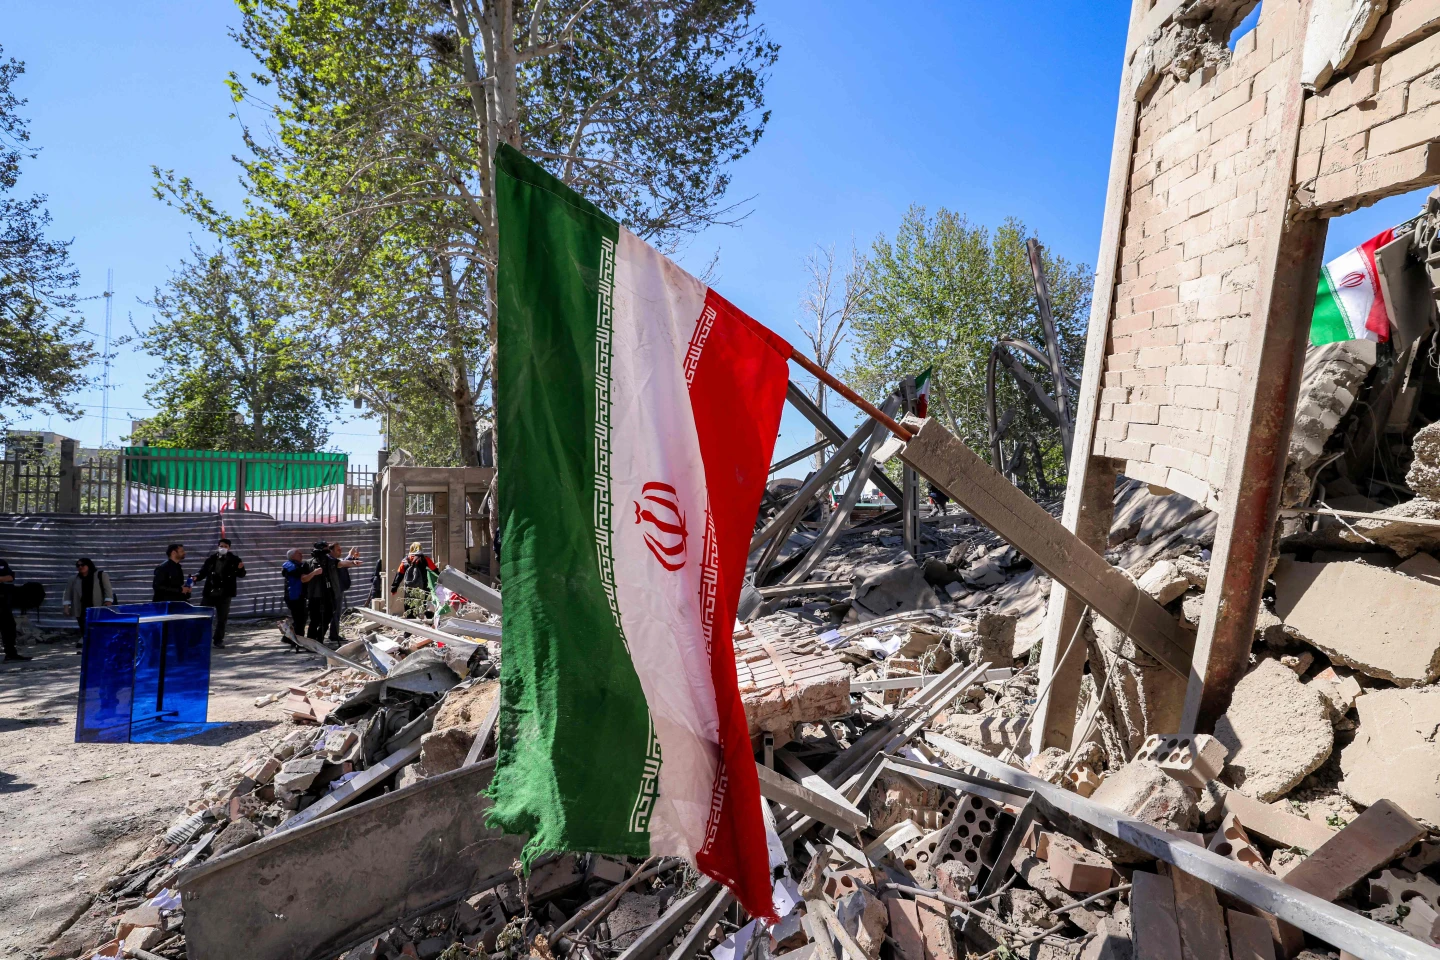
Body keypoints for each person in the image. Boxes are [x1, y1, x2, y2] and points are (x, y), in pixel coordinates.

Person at [194, 537, 246, 648]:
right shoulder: (211, 559)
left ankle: (218, 640)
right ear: (218, 547)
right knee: (203, 616)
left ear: (229, 548)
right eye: (221, 546)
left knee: (222, 618)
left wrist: (240, 568)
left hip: (225, 593)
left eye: (225, 547)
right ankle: (200, 638)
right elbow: (203, 571)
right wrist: (196, 577)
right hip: (210, 592)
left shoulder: (235, 559)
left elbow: (241, 574)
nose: (223, 548)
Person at [62, 558, 115, 649]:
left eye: (83, 565)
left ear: (89, 565)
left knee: (98, 624)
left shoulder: (100, 575)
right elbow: (68, 593)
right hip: (81, 606)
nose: (80, 567)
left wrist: (108, 601)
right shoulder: (73, 579)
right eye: (78, 565)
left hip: (97, 605)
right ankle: (86, 641)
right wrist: (66, 606)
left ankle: (98, 642)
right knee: (83, 624)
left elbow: (108, 590)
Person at [280, 547, 324, 642]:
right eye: (298, 553)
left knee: (300, 618)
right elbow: (303, 578)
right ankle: (297, 641)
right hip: (293, 597)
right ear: (292, 556)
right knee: (300, 620)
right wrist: (314, 572)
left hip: (299, 596)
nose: (301, 555)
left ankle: (289, 638)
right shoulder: (290, 565)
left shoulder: (298, 565)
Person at [325, 543, 365, 643]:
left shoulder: (335, 560)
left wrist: (351, 556)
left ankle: (333, 634)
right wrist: (353, 561)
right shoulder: (330, 560)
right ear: (331, 551)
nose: (340, 551)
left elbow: (342, 563)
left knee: (336, 613)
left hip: (338, 590)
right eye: (338, 550)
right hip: (333, 591)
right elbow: (343, 564)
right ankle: (332, 635)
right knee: (334, 613)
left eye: (340, 549)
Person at [390, 542, 438, 619]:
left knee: (409, 608)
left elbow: (399, 575)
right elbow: (436, 572)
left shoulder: (404, 561)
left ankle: (410, 628)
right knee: (427, 608)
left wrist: (394, 588)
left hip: (409, 590)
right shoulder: (426, 560)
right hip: (424, 589)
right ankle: (429, 626)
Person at [0, 557, 26, 663]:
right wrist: (2, 578)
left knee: (9, 626)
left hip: (3, 601)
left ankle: (11, 654)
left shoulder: (1, 562)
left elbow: (10, 577)